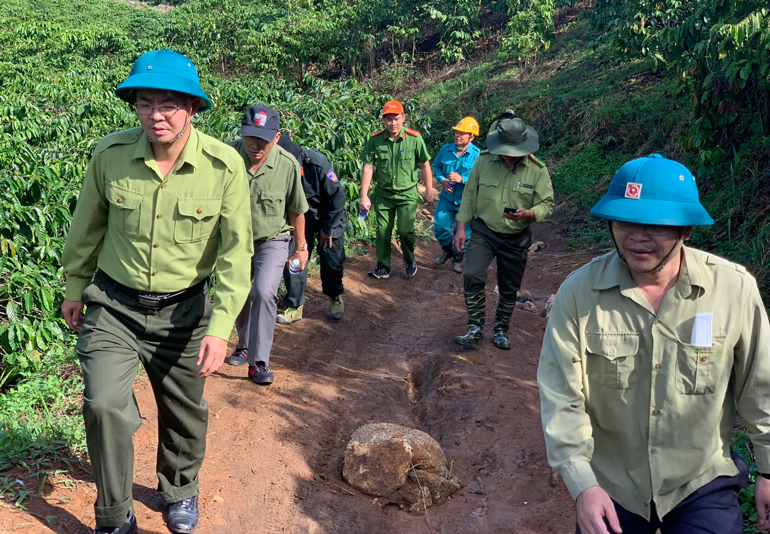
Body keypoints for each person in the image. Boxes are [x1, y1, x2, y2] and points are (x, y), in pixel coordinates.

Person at [60, 50, 253, 534]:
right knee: (104, 404)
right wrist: (74, 287)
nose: (156, 115)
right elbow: (87, 228)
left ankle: (180, 489)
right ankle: (114, 515)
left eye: (168, 104)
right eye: (145, 103)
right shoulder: (110, 156)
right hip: (114, 307)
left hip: (185, 312)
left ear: (192, 108)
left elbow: (235, 253)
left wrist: (220, 326)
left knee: (184, 411)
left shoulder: (224, 165)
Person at [537, 154, 770, 534]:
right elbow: (562, 397)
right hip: (612, 484)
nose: (639, 237)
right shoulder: (578, 294)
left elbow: (761, 386)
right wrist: (583, 486)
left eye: (657, 225)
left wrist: (769, 470)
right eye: (627, 221)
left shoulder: (733, 290)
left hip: (700, 480)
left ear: (686, 231)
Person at [224, 105, 309, 386]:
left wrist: (301, 247)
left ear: (276, 137)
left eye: (263, 138)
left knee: (263, 291)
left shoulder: (286, 164)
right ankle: (243, 343)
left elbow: (297, 209)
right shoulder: (227, 157)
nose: (256, 144)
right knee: (240, 291)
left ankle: (258, 362)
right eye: (250, 137)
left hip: (272, 239)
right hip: (234, 240)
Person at [453, 117, 553, 349]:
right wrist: (460, 227)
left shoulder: (537, 170)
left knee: (509, 287)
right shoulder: (484, 161)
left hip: (517, 238)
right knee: (472, 275)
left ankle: (500, 330)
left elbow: (547, 205)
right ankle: (475, 328)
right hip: (484, 231)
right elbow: (469, 195)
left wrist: (528, 213)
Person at [274, 135, 347, 324]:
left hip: (329, 217)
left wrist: (328, 228)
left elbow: (338, 197)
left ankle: (335, 296)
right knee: (294, 260)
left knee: (331, 261)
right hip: (300, 220)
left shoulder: (316, 163)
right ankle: (295, 306)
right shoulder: (277, 169)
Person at [359, 100, 435, 279]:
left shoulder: (414, 139)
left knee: (404, 230)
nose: (393, 123)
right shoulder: (375, 140)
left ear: (403, 118)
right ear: (383, 121)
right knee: (383, 231)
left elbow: (425, 165)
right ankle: (383, 266)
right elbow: (368, 167)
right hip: (384, 195)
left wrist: (429, 190)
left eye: (396, 118)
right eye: (388, 119)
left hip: (407, 194)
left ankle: (409, 259)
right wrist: (364, 196)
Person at [432, 116, 481, 273]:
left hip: (466, 201)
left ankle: (457, 260)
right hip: (447, 198)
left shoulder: (478, 156)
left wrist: (463, 179)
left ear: (471, 137)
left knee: (463, 234)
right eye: (457, 132)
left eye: (462, 133)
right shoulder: (446, 150)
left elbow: (482, 178)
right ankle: (447, 250)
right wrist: (442, 180)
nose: (458, 136)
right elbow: (436, 166)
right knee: (440, 226)